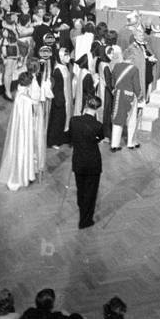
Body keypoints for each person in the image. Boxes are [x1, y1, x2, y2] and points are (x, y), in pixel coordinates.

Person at [0, 72, 40, 191]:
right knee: (23, 149)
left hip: (19, 129)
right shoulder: (25, 99)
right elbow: (33, 108)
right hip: (24, 130)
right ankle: (22, 175)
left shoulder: (19, 94)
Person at [70, 94, 104, 229]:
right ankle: (85, 220)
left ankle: (81, 208)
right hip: (93, 163)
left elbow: (72, 136)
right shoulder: (98, 125)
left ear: (85, 105)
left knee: (81, 188)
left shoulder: (73, 120)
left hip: (78, 160)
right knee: (91, 192)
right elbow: (99, 138)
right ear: (97, 109)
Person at [110, 53, 142, 151]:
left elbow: (113, 82)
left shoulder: (116, 66)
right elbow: (136, 86)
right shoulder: (134, 69)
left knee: (117, 118)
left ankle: (114, 145)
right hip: (130, 95)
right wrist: (140, 96)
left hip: (118, 94)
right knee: (132, 119)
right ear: (132, 58)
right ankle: (130, 143)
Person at [47, 46, 73, 147]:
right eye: (65, 55)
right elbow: (56, 87)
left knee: (64, 119)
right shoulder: (58, 70)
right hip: (60, 100)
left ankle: (62, 138)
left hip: (66, 98)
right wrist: (60, 100)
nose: (68, 57)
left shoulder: (64, 66)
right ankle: (53, 141)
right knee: (57, 121)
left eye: (68, 55)